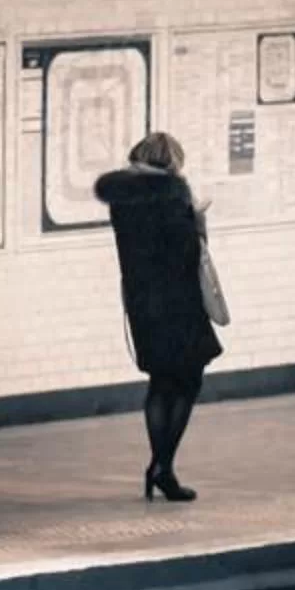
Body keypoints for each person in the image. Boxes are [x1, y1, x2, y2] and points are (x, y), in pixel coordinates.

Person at [93, 133, 221, 502]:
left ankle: (161, 468)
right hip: (178, 302)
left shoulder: (122, 199)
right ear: (170, 162)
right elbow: (187, 252)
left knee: (160, 382)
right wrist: (197, 218)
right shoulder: (172, 195)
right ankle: (162, 467)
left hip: (142, 304)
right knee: (188, 380)